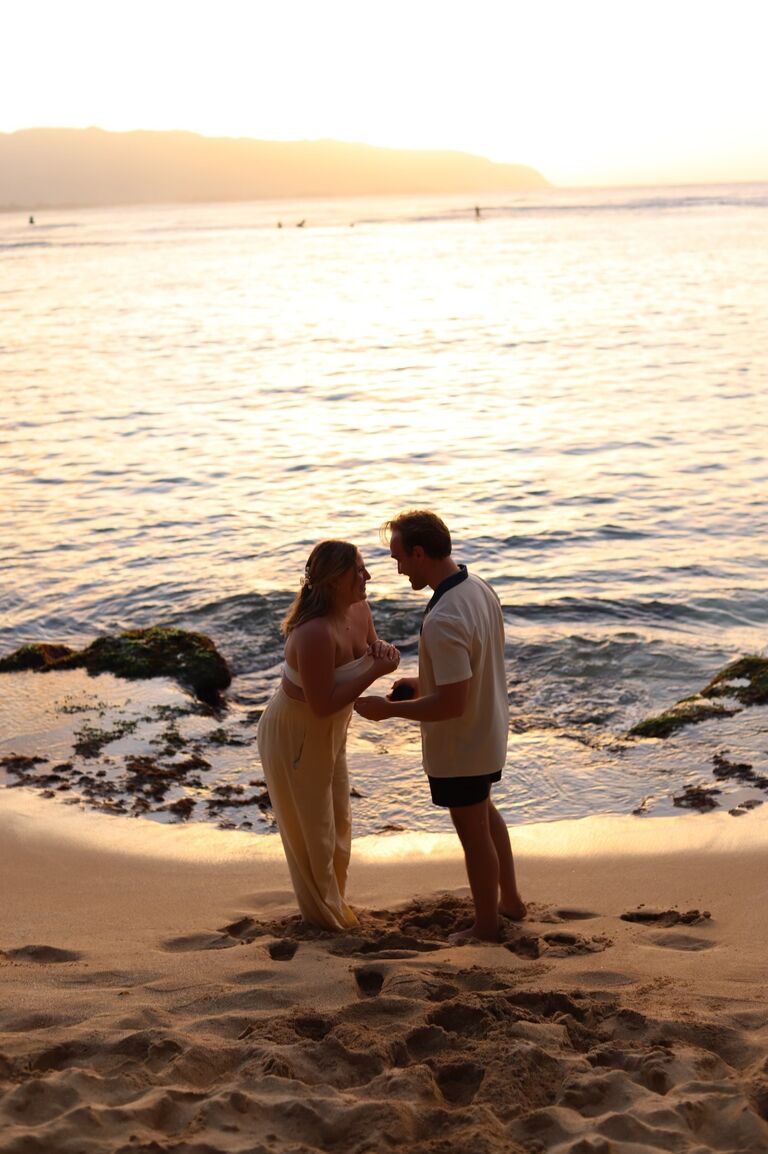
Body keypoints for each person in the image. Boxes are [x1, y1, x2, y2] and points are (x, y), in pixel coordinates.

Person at [354, 510, 525, 943]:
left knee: (474, 834)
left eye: (398, 558)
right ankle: (511, 901)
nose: (395, 568)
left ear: (419, 552)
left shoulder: (445, 616)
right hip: (488, 729)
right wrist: (419, 683)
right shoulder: (477, 588)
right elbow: (472, 668)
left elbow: (451, 703)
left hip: (462, 742)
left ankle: (487, 926)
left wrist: (387, 712)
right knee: (486, 815)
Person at [257, 540, 400, 931]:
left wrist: (384, 654)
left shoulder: (360, 609)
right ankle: (323, 920)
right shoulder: (314, 633)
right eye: (359, 570)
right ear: (336, 580)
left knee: (339, 825)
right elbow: (322, 703)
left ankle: (334, 904)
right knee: (315, 834)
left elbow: (372, 649)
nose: (367, 576)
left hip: (332, 735)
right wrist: (374, 672)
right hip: (297, 736)